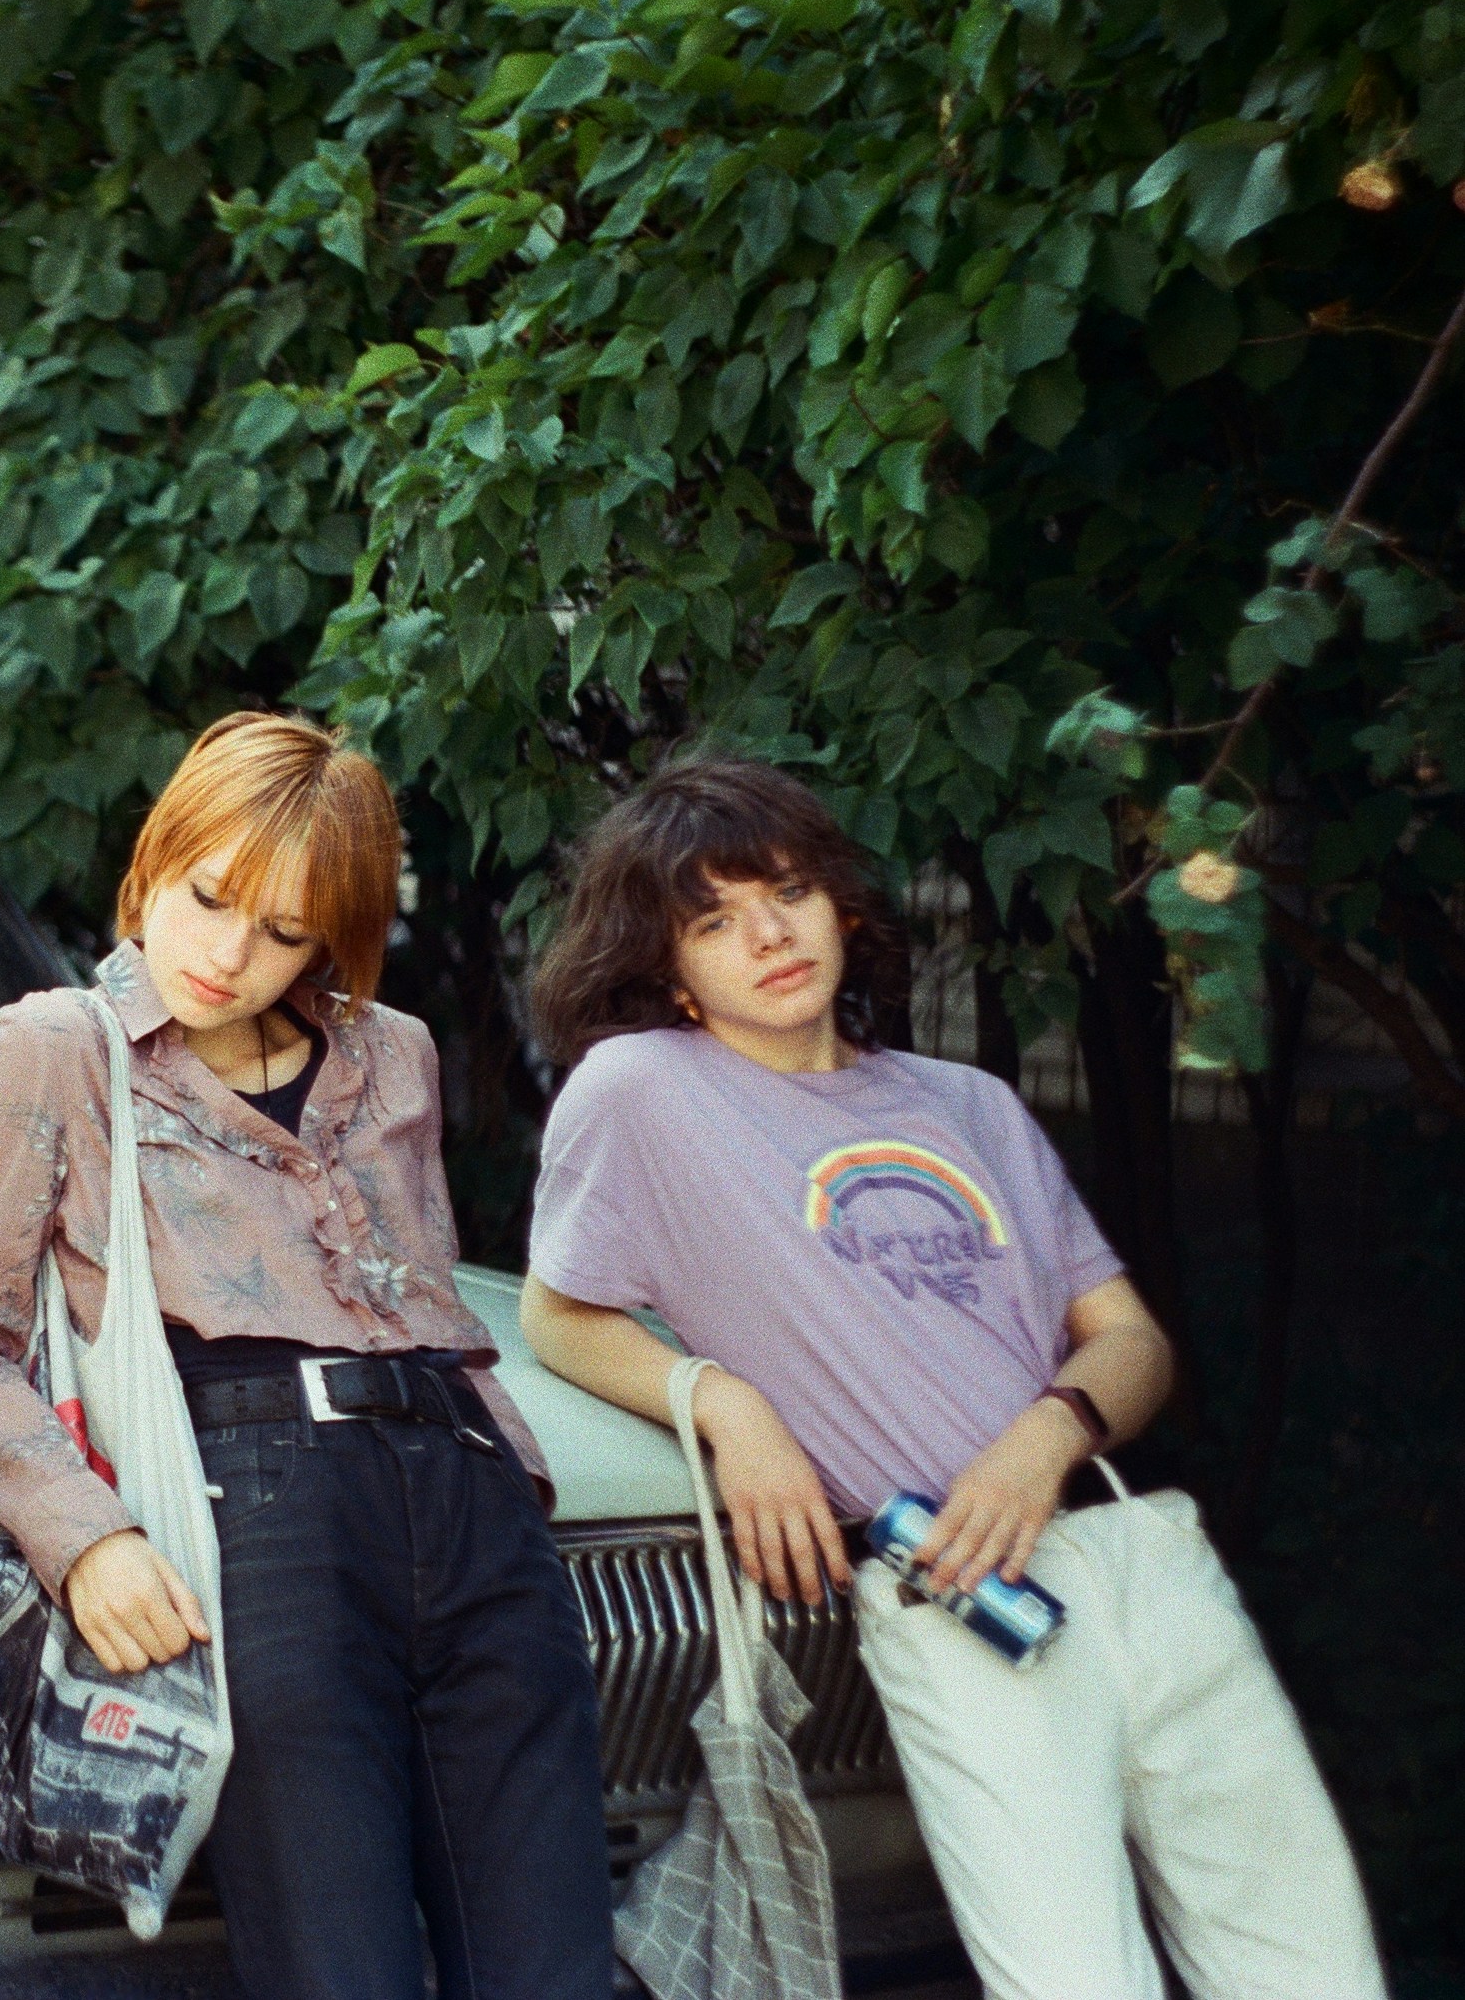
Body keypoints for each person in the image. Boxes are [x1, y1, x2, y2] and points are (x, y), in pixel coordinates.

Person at [518, 756, 1387, 2000]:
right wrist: (727, 1404)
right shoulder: (645, 1088)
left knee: (1314, 1967)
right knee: (1074, 1980)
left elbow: (1130, 1341)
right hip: (958, 1590)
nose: (769, 934)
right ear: (668, 969)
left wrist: (1045, 1436)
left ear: (840, 904)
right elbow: (558, 1311)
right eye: (713, 920)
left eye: (787, 892)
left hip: (1134, 1552)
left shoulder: (966, 1102)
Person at [0, 712, 617, 2000]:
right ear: (153, 861)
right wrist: (88, 1537)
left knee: (554, 1971)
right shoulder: (54, 1047)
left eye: (284, 929)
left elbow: (432, 1306)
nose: (229, 953)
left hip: (474, 1506)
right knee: (339, 1966)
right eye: (208, 895)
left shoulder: (395, 1054)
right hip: (259, 1513)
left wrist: (512, 1494)